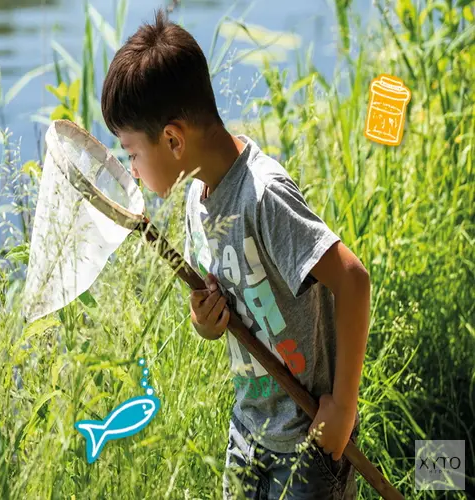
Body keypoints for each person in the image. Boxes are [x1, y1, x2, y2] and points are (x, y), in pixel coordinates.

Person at [100, 9, 371, 500]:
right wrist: (206, 320)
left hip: (307, 436)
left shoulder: (262, 196)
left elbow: (353, 280)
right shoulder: (195, 197)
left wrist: (344, 407)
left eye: (132, 153)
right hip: (248, 431)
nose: (133, 171)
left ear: (174, 139)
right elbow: (227, 303)